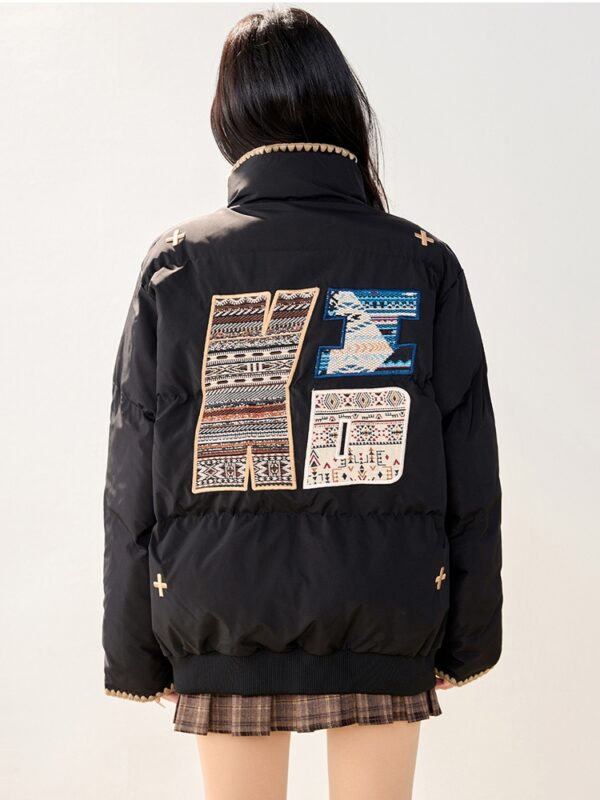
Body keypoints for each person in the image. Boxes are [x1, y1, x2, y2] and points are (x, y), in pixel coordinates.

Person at [102, 7, 503, 800]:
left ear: (229, 113)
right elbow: (472, 471)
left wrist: (136, 656)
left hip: (224, 610)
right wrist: (468, 642)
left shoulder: (179, 265)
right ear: (339, 102)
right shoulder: (420, 260)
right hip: (384, 604)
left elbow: (131, 477)